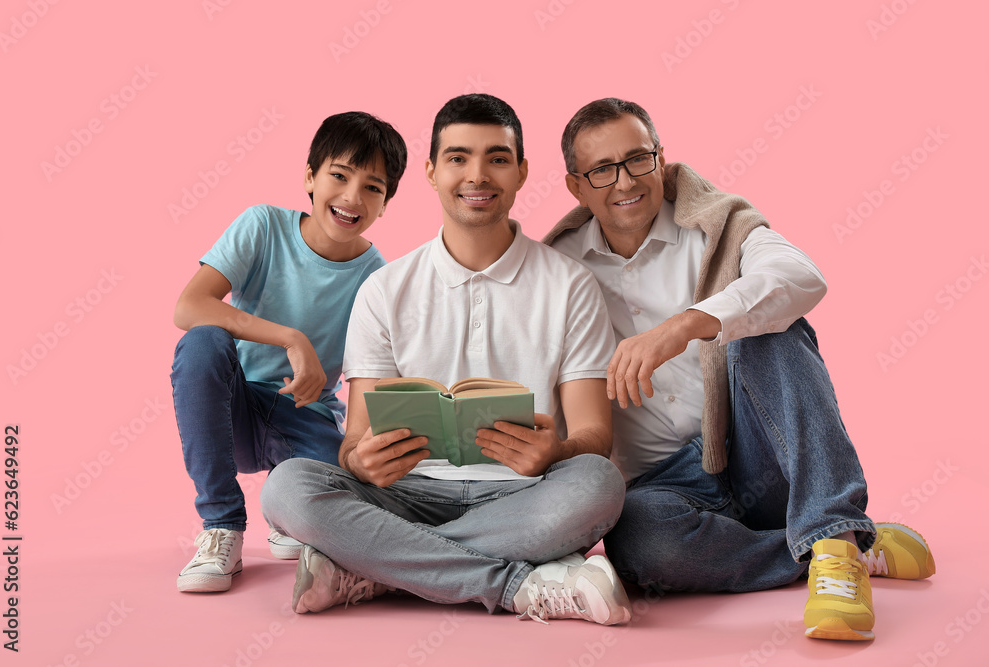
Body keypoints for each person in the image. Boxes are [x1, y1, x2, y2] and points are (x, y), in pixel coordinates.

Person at [544, 98, 935, 641]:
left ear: (660, 158)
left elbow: (800, 275)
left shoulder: (717, 223)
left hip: (760, 456)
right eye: (602, 170)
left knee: (768, 328)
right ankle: (834, 541)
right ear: (576, 187)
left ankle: (835, 546)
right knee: (639, 548)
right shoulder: (558, 265)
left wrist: (687, 323)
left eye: (639, 159)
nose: (625, 180)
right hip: (665, 486)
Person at [260, 94, 632, 625]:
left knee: (598, 482)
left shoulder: (570, 285)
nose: (477, 176)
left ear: (522, 172)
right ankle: (517, 584)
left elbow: (596, 434)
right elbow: (352, 442)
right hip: (404, 493)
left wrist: (556, 452)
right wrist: (358, 460)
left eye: (497, 159)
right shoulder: (384, 290)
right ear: (432, 172)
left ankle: (370, 567)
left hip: (524, 495)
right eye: (458, 158)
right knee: (288, 488)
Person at [171, 111, 407, 593]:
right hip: (236, 407)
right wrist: (291, 338)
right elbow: (189, 306)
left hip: (309, 421)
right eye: (339, 176)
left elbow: (378, 371)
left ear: (385, 204)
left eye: (372, 188)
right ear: (310, 178)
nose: (351, 198)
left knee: (365, 492)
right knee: (201, 341)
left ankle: (290, 516)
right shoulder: (263, 226)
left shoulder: (378, 276)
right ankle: (222, 527)